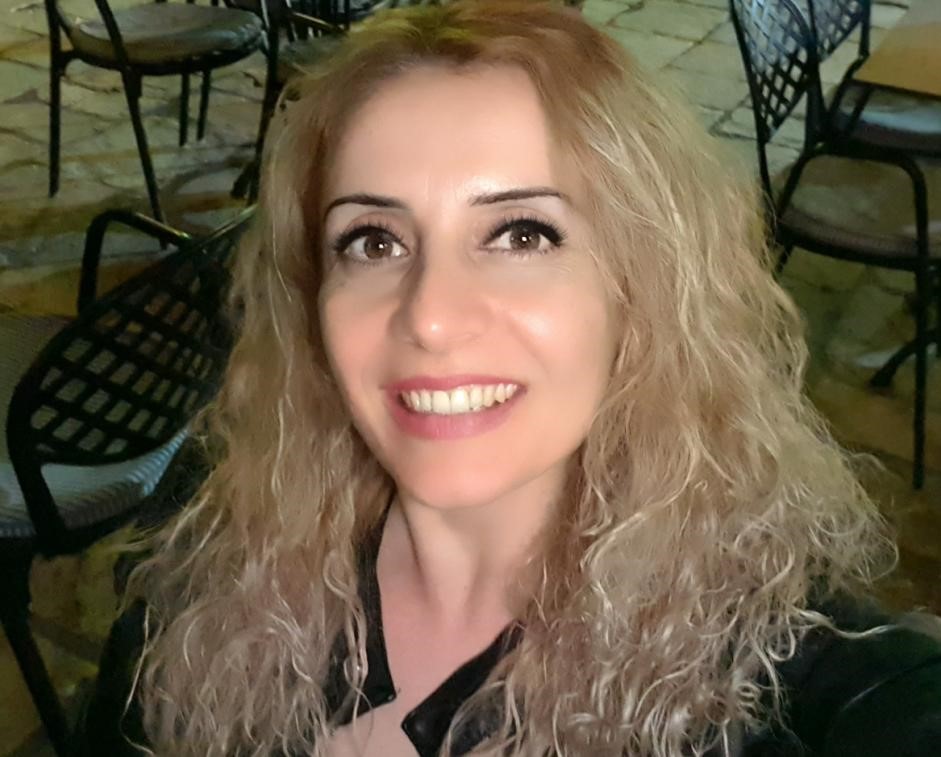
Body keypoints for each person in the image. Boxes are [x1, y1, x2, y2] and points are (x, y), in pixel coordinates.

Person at [77, 1, 941, 755]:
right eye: (373, 241)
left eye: (522, 234)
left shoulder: (806, 682)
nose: (431, 316)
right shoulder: (204, 572)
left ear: (640, 285)